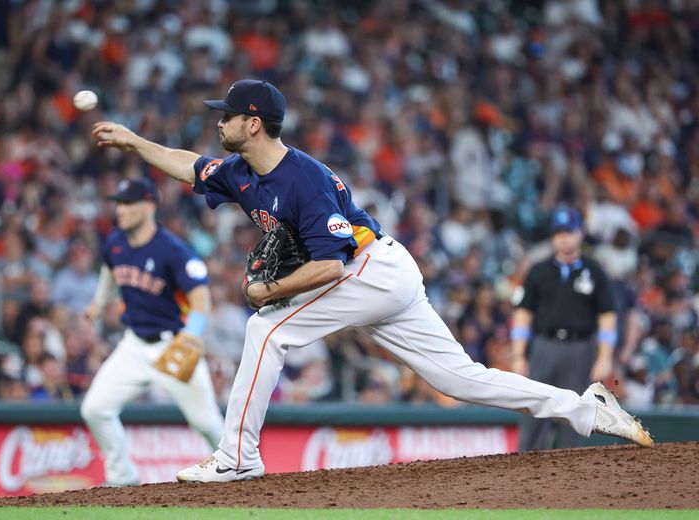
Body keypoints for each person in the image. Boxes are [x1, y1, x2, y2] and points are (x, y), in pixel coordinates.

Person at [90, 79, 653, 483]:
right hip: (381, 277)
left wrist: (267, 292)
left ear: (253, 122)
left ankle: (237, 458)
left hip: (369, 270)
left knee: (266, 331)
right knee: (462, 379)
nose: (219, 121)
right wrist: (136, 143)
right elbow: (190, 164)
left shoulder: (303, 179)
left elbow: (331, 266)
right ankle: (585, 408)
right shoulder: (240, 171)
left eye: (228, 114)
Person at [79, 178, 224, 487]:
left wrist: (192, 334)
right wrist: (97, 302)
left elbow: (201, 298)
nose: (120, 209)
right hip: (133, 346)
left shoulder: (173, 250)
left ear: (149, 206)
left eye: (128, 203)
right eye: (118, 203)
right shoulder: (115, 241)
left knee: (206, 422)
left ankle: (238, 467)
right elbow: (109, 269)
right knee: (95, 409)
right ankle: (122, 476)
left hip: (172, 344)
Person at [511, 207, 618, 451]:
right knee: (535, 407)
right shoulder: (538, 271)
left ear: (580, 233)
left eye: (569, 231)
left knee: (577, 411)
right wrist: (518, 354)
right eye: (559, 231)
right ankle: (526, 470)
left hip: (581, 347)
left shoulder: (594, 270)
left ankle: (571, 479)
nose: (564, 237)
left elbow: (607, 316)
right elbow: (523, 313)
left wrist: (605, 356)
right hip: (544, 346)